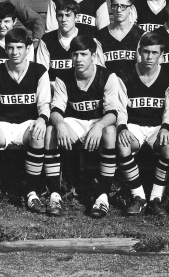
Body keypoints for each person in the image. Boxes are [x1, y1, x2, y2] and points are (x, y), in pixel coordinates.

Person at [0, 28, 52, 215]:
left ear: (28, 49)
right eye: (10, 48)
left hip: (27, 125)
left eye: (19, 47)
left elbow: (44, 103)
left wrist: (41, 119)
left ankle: (32, 192)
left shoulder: (39, 71)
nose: (15, 52)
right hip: (4, 125)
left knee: (39, 133)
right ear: (5, 49)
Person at [46, 35, 121, 218]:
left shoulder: (108, 76)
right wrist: (60, 124)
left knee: (110, 132)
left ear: (93, 56)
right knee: (51, 131)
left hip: (98, 122)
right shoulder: (63, 77)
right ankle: (55, 194)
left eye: (83, 54)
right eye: (75, 54)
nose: (78, 59)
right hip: (75, 122)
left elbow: (113, 113)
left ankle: (103, 196)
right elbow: (56, 110)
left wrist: (99, 126)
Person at [116, 33, 169, 216]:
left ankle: (155, 198)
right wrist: (122, 127)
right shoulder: (125, 74)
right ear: (139, 52)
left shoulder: (168, 77)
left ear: (161, 54)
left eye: (154, 53)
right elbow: (120, 107)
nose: (150, 57)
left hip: (157, 127)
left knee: (168, 144)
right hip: (134, 125)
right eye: (146, 52)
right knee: (123, 143)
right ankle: (138, 196)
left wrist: (166, 127)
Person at [37, 0, 104, 82]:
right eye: (60, 15)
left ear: (76, 17)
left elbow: (99, 71)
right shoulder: (47, 40)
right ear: (56, 17)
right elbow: (41, 74)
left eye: (68, 15)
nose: (64, 19)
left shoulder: (89, 38)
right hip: (53, 90)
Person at [98, 0, 146, 82]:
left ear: (131, 8)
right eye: (115, 6)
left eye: (123, 6)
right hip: (109, 88)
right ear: (111, 7)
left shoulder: (141, 35)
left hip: (133, 89)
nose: (119, 10)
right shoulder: (100, 36)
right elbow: (100, 69)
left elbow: (143, 68)